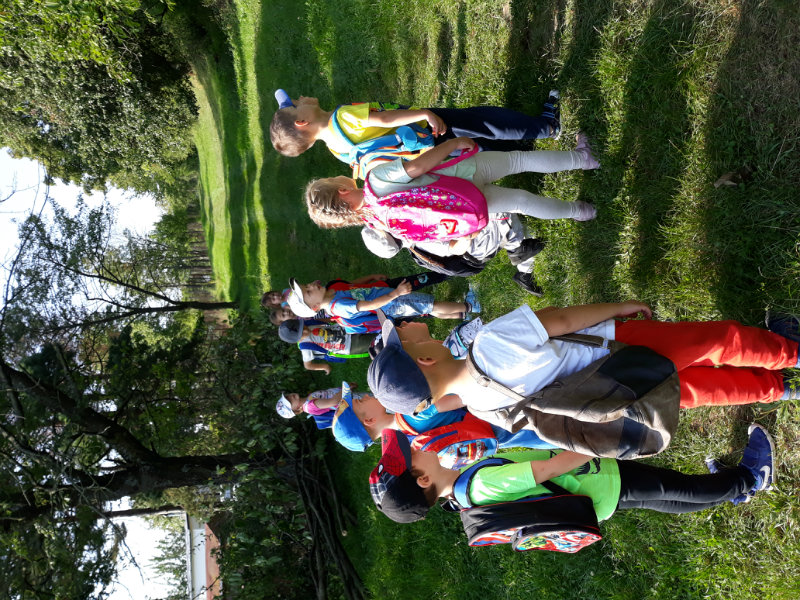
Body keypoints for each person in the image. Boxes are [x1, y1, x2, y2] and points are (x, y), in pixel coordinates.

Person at [366, 302, 800, 418]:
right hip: (618, 344)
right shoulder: (488, 342)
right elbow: (561, 319)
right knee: (716, 341)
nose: (409, 331)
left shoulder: (481, 406)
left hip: (622, 390)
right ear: (426, 359)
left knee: (700, 390)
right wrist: (619, 307)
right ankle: (791, 353)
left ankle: (779, 388)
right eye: (405, 341)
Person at [369, 423, 775, 524]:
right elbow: (547, 468)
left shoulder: (461, 493)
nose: (418, 447)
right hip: (594, 476)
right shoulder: (481, 483)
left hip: (596, 496)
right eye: (414, 456)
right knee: (676, 488)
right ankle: (750, 478)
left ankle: (730, 491)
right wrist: (596, 444)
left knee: (662, 499)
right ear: (423, 479)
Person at [305, 136, 599, 245]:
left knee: (521, 202)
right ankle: (583, 159)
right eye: (332, 178)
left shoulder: (376, 221)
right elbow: (417, 167)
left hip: (465, 205)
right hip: (462, 174)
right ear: (342, 191)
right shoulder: (375, 181)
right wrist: (451, 144)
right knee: (517, 161)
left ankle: (581, 211)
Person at [270, 90, 562, 178]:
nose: (300, 98)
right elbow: (384, 118)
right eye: (295, 104)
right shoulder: (342, 117)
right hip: (426, 126)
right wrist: (424, 113)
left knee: (477, 143)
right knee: (484, 122)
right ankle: (546, 127)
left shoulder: (337, 150)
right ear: (302, 122)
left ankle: (524, 146)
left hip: (426, 148)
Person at [330, 382, 555, 458]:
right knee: (555, 418)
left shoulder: (407, 441)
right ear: (369, 420)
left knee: (551, 436)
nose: (365, 396)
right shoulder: (410, 412)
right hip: (505, 415)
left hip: (499, 436)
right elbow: (463, 395)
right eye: (359, 401)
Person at [361, 213, 546, 294]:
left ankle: (520, 246)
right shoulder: (421, 240)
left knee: (509, 224)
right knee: (503, 216)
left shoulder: (410, 235)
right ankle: (522, 265)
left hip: (470, 246)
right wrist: (471, 231)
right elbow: (455, 248)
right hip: (473, 249)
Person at [286, 275, 478, 334]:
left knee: (426, 308)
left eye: (306, 285)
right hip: (392, 303)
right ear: (314, 307)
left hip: (389, 301)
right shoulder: (339, 306)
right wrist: (396, 293)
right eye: (308, 292)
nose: (311, 285)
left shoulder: (332, 294)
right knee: (431, 305)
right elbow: (369, 304)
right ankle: (470, 306)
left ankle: (463, 315)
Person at [279, 317, 374, 374]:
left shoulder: (308, 323)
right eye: (301, 333)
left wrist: (336, 319)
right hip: (350, 345)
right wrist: (324, 367)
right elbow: (308, 365)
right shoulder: (305, 347)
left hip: (346, 328)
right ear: (296, 340)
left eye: (302, 327)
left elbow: (325, 321)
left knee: (373, 327)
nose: (305, 330)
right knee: (374, 341)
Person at [275, 383, 357, 429]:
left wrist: (342, 389)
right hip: (350, 401)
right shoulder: (310, 406)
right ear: (296, 409)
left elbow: (328, 393)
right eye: (290, 402)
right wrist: (346, 389)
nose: (290, 397)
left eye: (287, 397)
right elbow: (333, 402)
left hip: (346, 397)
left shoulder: (309, 398)